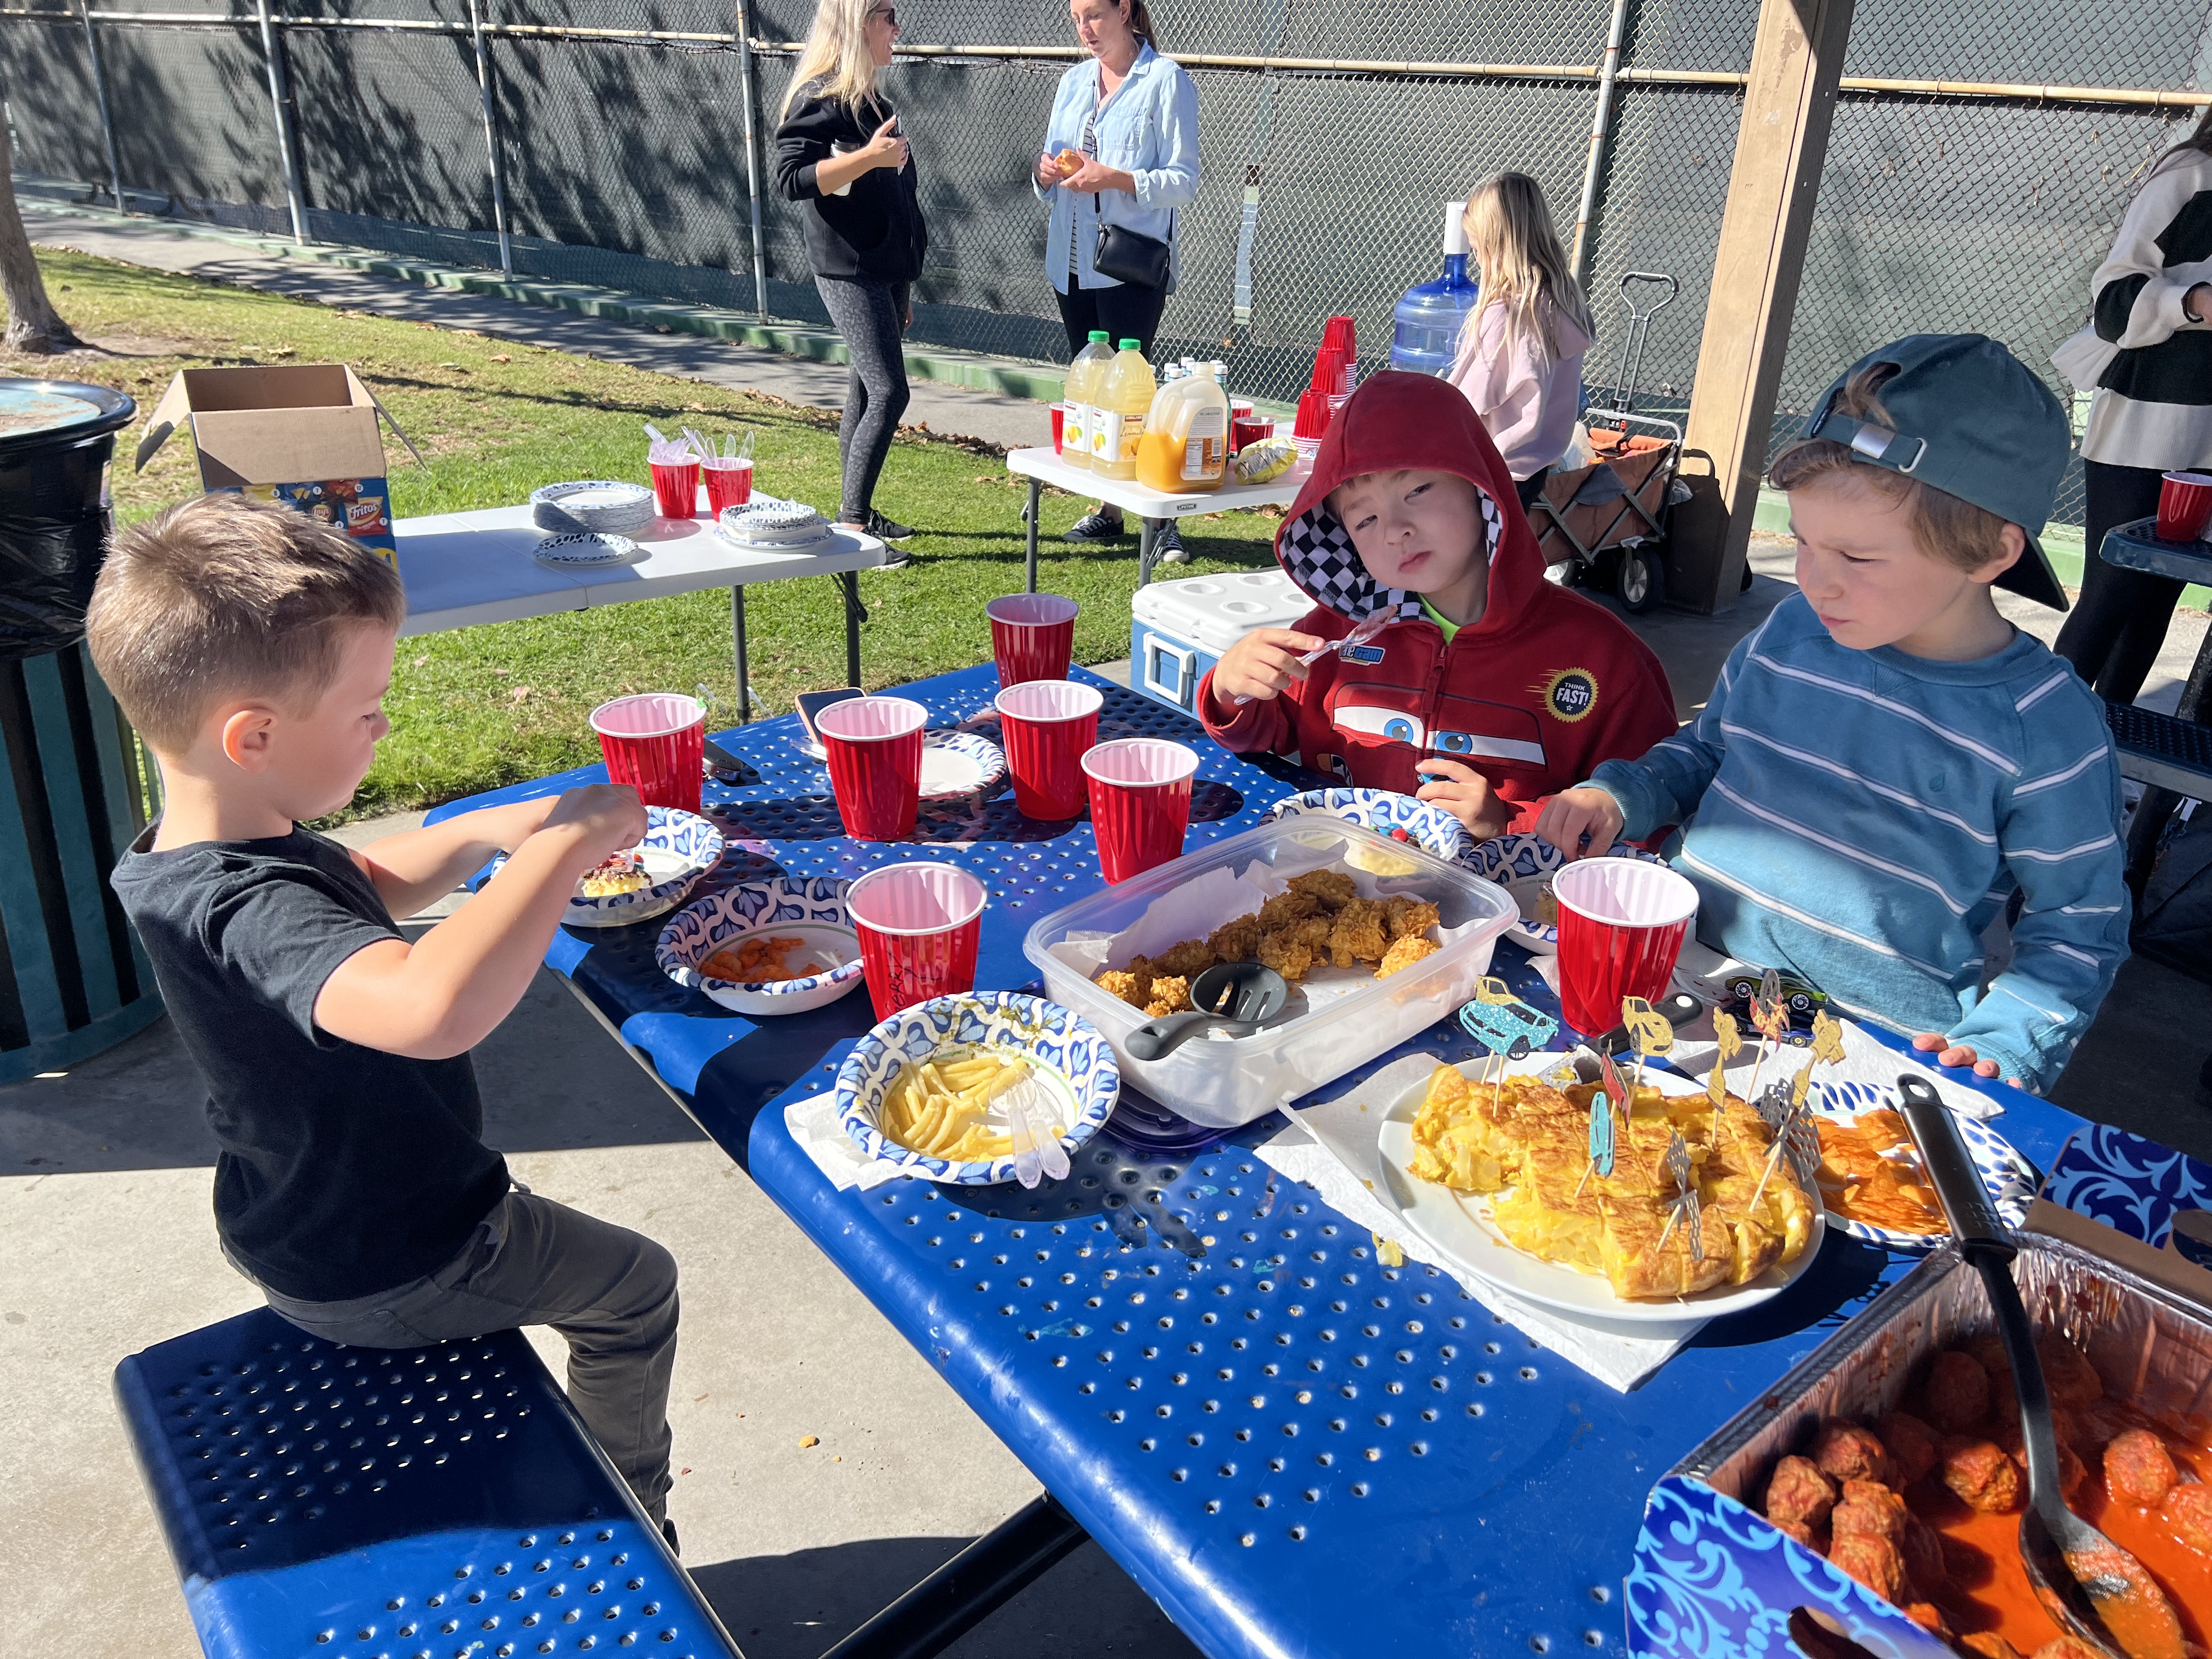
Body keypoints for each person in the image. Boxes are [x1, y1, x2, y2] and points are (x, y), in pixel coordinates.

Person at [88, 496, 685, 1535]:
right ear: (257, 734)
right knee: (638, 1284)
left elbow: (357, 880)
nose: (385, 724)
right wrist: (558, 851)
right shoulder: (247, 903)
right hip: (398, 1252)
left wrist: (488, 830)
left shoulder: (199, 845)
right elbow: (430, 1009)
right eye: (367, 709)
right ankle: (631, 1502)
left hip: (304, 1219)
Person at [1534, 336, 2130, 1096]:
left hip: (1870, 1045)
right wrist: (1623, 793)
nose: (1816, 581)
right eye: (1805, 542)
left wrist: (2009, 1043)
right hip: (1686, 980)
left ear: (1990, 553)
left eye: (1859, 558)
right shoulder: (1788, 632)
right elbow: (1713, 752)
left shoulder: (2045, 725)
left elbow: (2081, 925)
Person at [1198, 370, 1676, 840]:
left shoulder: (1603, 658)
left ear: (1481, 489)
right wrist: (1228, 689)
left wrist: (1507, 823)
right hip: (1349, 890)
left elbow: (1642, 811)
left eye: (1418, 491)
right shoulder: (1336, 635)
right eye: (1364, 519)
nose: (1395, 529)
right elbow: (1262, 732)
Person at [2053, 109, 2212, 704]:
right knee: (2113, 592)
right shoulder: (2191, 176)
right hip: (2147, 426)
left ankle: (2106, 758)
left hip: (2207, 443)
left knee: (2159, 600)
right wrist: (2193, 302)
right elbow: (2113, 302)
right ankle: (2032, 757)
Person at [1033, 0, 1199, 561]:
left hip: (1129, 264)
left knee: (1135, 394)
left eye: (1094, 16)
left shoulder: (1165, 80)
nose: (1084, 29)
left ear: (1126, 9)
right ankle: (1108, 512)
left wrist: (1117, 179)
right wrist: (1046, 174)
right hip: (1071, 261)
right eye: (1075, 18)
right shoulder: (1074, 81)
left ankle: (1162, 517)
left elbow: (1182, 180)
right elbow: (1052, 170)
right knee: (1090, 394)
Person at [776, 0, 927, 557]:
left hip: (887, 272)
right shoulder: (820, 98)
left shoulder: (874, 103)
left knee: (865, 391)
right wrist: (868, 157)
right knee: (890, 391)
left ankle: (854, 514)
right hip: (848, 268)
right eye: (887, 14)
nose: (897, 26)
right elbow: (792, 179)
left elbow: (899, 197)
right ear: (857, 23)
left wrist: (904, 285)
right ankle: (854, 529)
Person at [1446, 172, 1596, 512]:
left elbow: (1463, 403)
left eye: (1476, 249)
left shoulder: (1504, 315)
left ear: (1493, 246)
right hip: (1531, 473)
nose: (1477, 260)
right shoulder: (1564, 303)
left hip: (1485, 475)